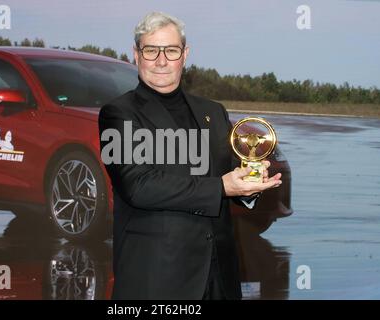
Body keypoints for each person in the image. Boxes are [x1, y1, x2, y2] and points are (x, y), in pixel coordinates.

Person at [98, 12, 282, 300]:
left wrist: (250, 182)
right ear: (136, 55)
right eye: (151, 50)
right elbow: (138, 186)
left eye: (171, 50)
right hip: (157, 278)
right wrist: (222, 186)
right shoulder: (119, 114)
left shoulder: (214, 112)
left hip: (218, 277)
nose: (161, 61)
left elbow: (229, 173)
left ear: (185, 54)